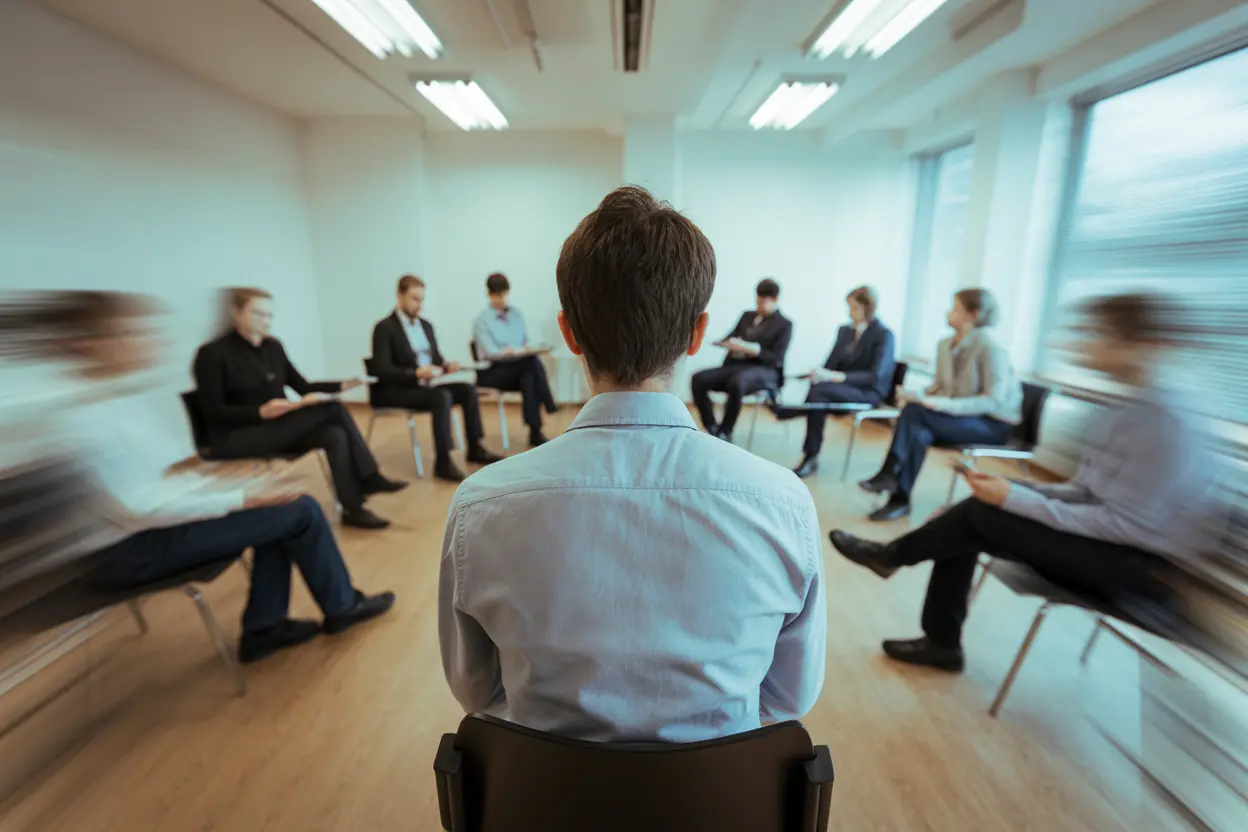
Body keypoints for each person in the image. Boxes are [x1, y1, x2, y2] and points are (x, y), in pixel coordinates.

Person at [439, 186, 826, 743]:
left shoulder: (480, 504)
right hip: (722, 805)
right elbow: (790, 698)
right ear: (697, 334)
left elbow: (476, 692)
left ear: (569, 332)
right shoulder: (783, 502)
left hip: (546, 803)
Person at [828, 293, 1223, 672]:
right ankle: (935, 631)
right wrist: (1012, 492)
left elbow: (1120, 524)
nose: (1086, 341)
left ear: (1141, 344)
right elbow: (1086, 493)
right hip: (1115, 542)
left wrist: (1012, 498)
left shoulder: (1164, 423)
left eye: (1099, 333)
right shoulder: (1135, 408)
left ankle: (896, 563)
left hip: (1139, 571)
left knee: (979, 516)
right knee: (973, 514)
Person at [50, 292, 395, 664]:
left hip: (144, 528)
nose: (143, 341)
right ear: (85, 344)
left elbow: (163, 482)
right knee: (302, 510)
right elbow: (138, 509)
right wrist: (241, 498)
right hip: (127, 550)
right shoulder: (82, 419)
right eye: (127, 333)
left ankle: (266, 626)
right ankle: (338, 607)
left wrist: (240, 489)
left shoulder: (113, 400)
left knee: (286, 502)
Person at [193, 288, 404, 530]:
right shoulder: (212, 354)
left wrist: (344, 384)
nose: (266, 320)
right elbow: (213, 413)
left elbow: (303, 386)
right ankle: (369, 476)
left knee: (333, 434)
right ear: (236, 313)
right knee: (333, 410)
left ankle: (353, 508)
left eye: (270, 315)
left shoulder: (273, 347)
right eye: (258, 313)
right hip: (235, 437)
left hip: (275, 428)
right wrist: (258, 412)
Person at [859, 288, 1021, 522]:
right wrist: (918, 394)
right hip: (957, 417)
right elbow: (941, 386)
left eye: (955, 308)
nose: (948, 312)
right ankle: (900, 499)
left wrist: (941, 404)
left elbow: (992, 399)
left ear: (973, 314)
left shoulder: (991, 348)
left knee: (915, 415)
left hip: (992, 423)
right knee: (919, 432)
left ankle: (889, 473)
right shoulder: (945, 345)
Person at [370, 275, 503, 482]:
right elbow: (382, 369)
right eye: (415, 299)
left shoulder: (426, 326)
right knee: (440, 397)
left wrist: (446, 366)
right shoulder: (384, 328)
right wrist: (414, 373)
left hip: (426, 386)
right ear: (400, 296)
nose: (419, 305)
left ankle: (475, 447)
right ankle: (443, 461)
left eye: (421, 300)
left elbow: (436, 359)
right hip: (396, 390)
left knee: (467, 389)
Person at [772, 286, 896, 478]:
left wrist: (840, 377)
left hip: (867, 391)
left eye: (854, 307)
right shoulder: (845, 331)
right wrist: (821, 373)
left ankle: (802, 436)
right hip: (840, 387)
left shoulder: (884, 334)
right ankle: (809, 452)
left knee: (818, 395)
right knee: (817, 390)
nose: (849, 312)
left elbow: (875, 376)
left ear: (867, 308)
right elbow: (830, 364)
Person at [691, 279, 792, 442]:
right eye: (757, 300)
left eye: (763, 302)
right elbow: (731, 336)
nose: (759, 305)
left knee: (737, 382)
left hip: (764, 371)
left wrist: (752, 349)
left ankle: (725, 431)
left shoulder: (785, 324)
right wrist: (726, 343)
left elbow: (776, 358)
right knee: (698, 379)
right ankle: (712, 427)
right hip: (736, 366)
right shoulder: (747, 315)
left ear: (775, 300)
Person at [472, 272, 559, 447]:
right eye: (498, 295)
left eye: (505, 294)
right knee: (530, 365)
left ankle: (535, 431)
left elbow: (526, 342)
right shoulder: (481, 321)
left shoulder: (517, 315)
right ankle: (549, 404)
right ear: (489, 295)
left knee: (529, 373)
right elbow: (490, 352)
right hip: (492, 370)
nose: (502, 299)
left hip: (520, 367)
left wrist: (531, 348)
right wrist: (511, 352)